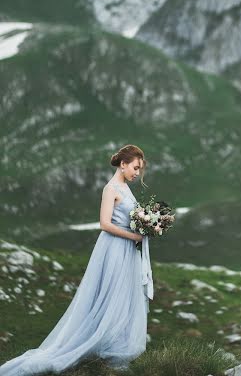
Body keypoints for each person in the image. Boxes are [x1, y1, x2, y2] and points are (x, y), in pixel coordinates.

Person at [0, 144, 153, 375]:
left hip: (127, 250)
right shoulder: (111, 188)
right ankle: (95, 345)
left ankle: (112, 345)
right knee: (109, 294)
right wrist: (134, 234)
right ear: (123, 164)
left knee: (122, 297)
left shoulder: (126, 188)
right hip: (113, 249)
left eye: (139, 169)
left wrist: (147, 225)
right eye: (135, 167)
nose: (137, 173)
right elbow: (105, 224)